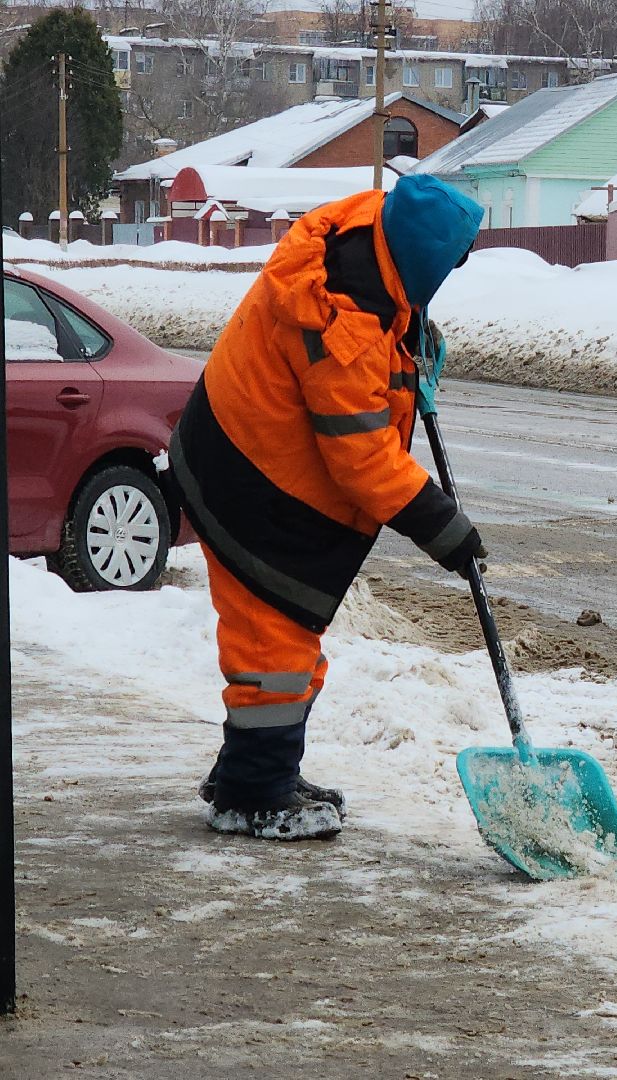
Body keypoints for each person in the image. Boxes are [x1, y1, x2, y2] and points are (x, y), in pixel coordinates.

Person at [169, 174, 487, 841]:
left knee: (289, 646)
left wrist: (408, 336)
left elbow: (385, 308)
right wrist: (444, 529)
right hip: (247, 477)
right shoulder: (340, 322)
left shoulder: (369, 231)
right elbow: (362, 458)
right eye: (443, 270)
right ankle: (253, 794)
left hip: (245, 446)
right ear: (420, 258)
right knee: (274, 650)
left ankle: (253, 770)